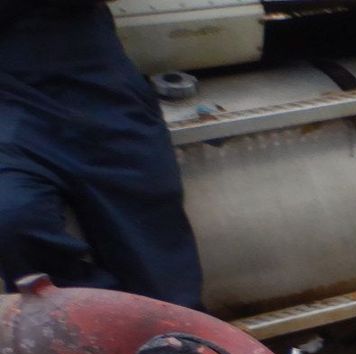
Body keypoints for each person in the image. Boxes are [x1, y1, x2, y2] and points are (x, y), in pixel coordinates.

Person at [0, 0, 204, 307]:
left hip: (99, 87)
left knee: (157, 265)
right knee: (13, 217)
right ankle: (95, 322)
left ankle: (173, 340)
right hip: (12, 105)